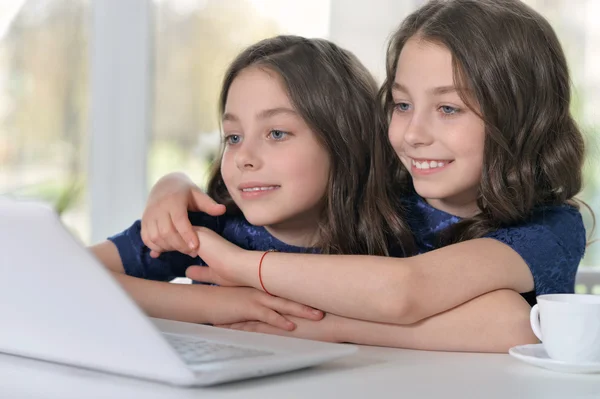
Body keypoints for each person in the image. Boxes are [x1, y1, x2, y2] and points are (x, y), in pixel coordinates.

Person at [142, 0, 589, 352]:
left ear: (521, 118)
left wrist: (252, 276)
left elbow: (495, 318)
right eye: (401, 104)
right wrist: (175, 183)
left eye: (448, 108)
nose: (413, 134)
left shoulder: (551, 227)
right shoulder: (381, 201)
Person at [90, 35, 415, 331]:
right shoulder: (205, 230)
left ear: (346, 140)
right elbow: (69, 274)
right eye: (233, 137)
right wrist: (213, 305)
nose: (243, 157)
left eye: (276, 133)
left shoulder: (401, 231)